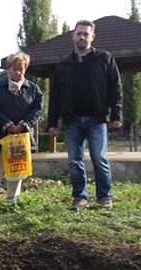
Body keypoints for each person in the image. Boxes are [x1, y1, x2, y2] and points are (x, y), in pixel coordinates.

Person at [47, 20, 123, 211]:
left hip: (97, 119)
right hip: (72, 121)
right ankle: (80, 197)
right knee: (74, 162)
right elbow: (55, 96)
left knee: (99, 158)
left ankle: (105, 196)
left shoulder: (104, 59)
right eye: (79, 33)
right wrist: (52, 122)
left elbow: (116, 88)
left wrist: (116, 114)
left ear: (92, 37)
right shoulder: (63, 65)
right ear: (73, 36)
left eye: (86, 34)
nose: (82, 37)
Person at [0, 52, 43, 209]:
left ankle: (12, 200)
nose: (18, 72)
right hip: (1, 135)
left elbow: (38, 110)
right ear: (8, 69)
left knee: (17, 168)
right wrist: (7, 124)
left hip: (22, 135)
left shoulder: (33, 89)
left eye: (21, 69)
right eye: (15, 69)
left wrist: (23, 124)